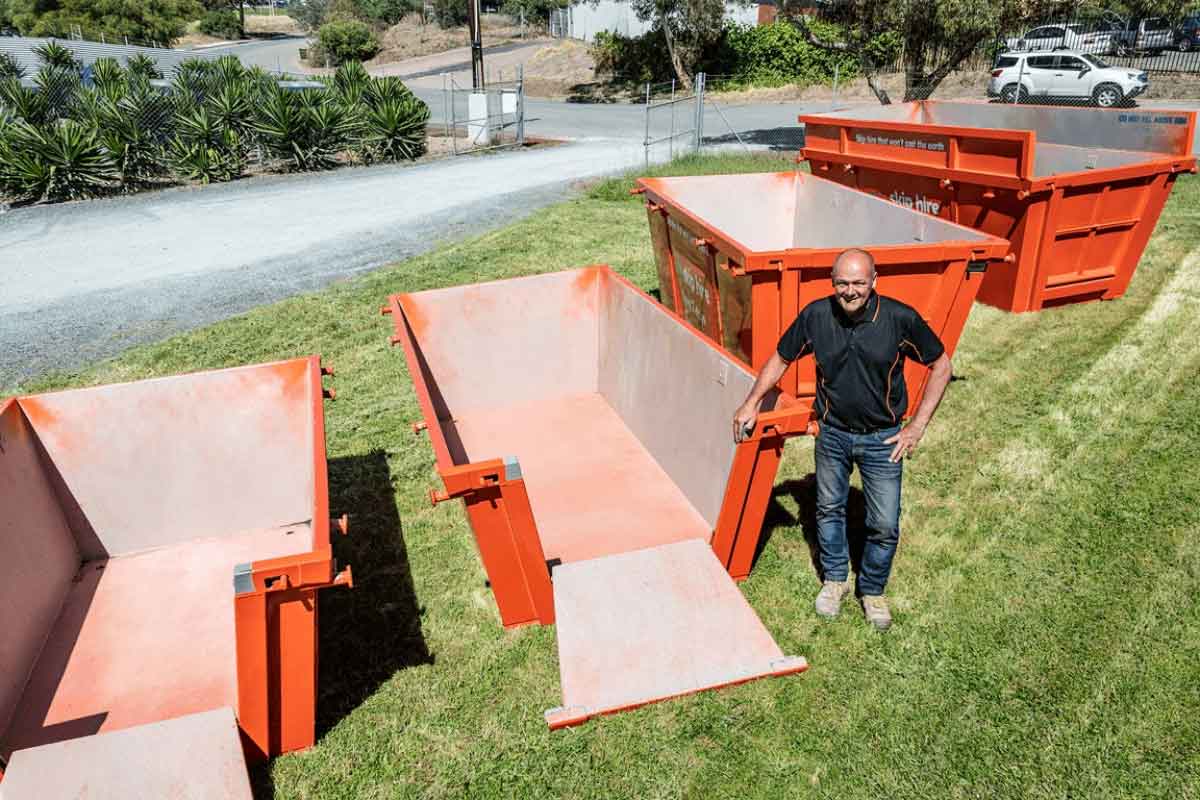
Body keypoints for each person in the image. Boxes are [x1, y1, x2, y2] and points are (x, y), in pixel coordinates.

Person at [732, 248, 952, 631]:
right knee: (828, 509)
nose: (850, 292)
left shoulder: (900, 319)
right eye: (842, 283)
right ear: (832, 282)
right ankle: (835, 580)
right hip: (832, 434)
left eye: (858, 283)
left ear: (874, 281)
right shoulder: (817, 316)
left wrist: (916, 426)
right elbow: (781, 358)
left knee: (883, 523)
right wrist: (752, 402)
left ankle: (872, 590)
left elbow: (941, 364)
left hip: (883, 439)